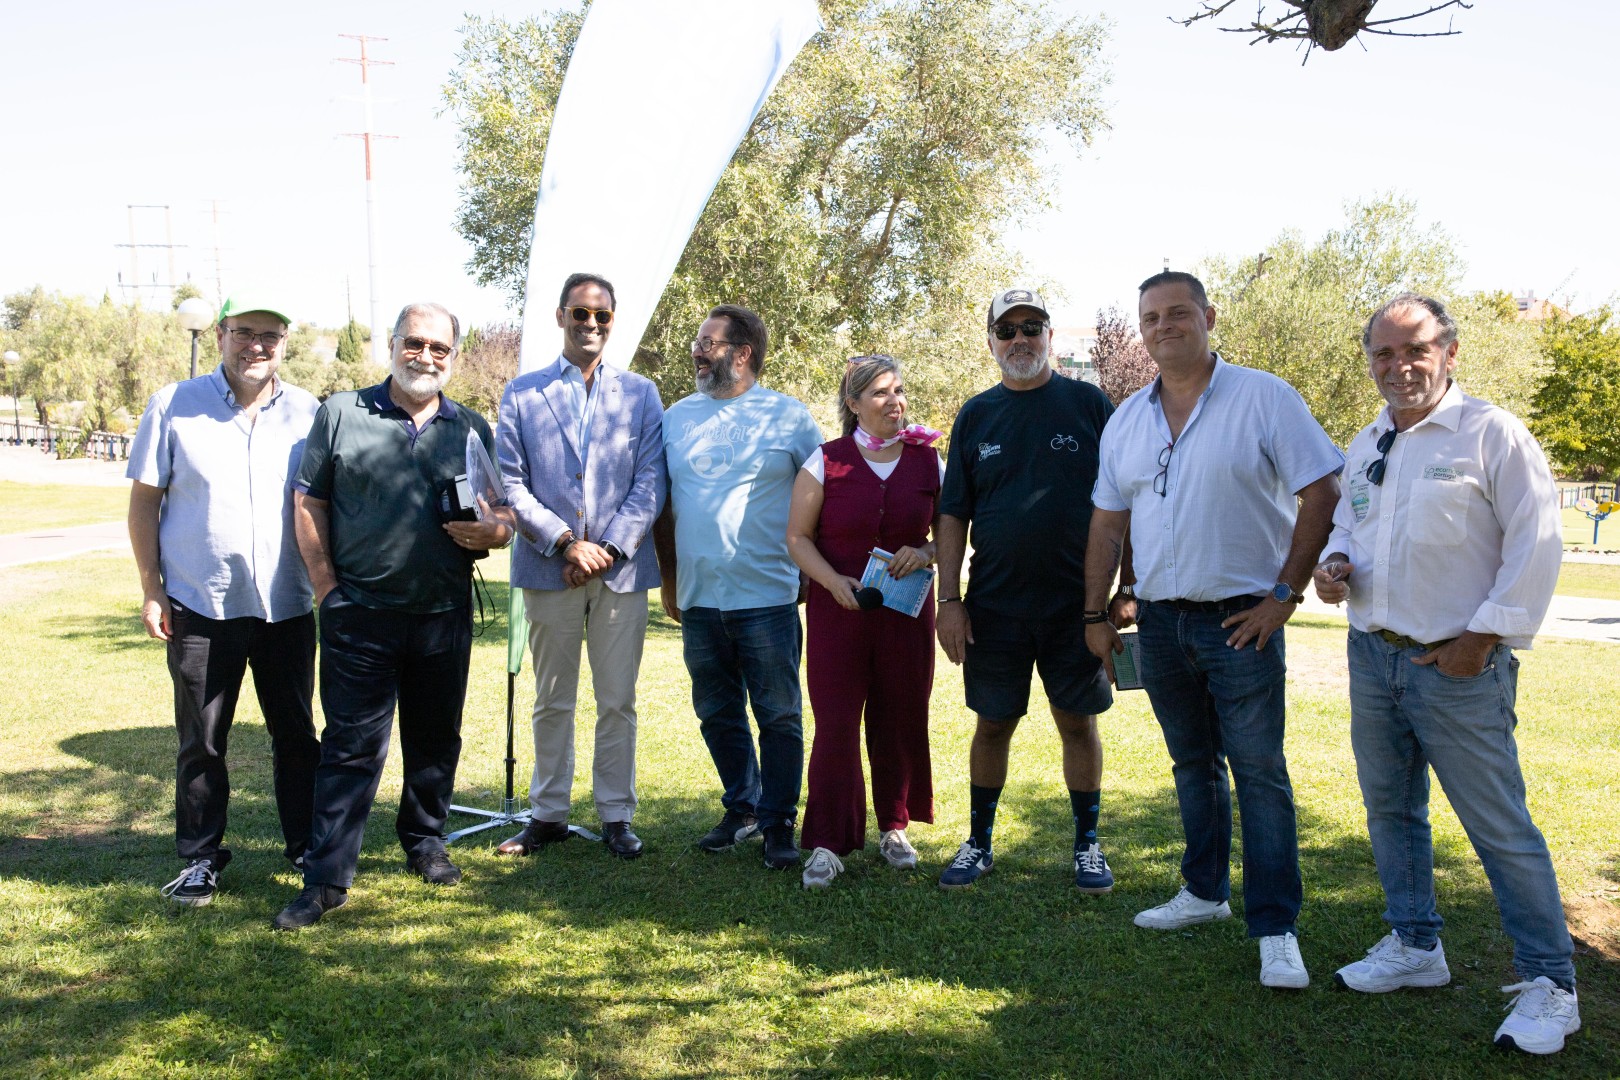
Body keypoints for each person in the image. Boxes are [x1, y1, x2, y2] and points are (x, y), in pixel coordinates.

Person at [1312, 293, 1579, 1054]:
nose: (1399, 366)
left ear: (1450, 353)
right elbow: (1349, 522)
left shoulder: (1493, 434)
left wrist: (1484, 635)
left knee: (1499, 828)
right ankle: (1415, 945)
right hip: (1374, 657)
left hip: (1458, 667)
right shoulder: (1369, 439)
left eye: (1415, 350)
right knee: (1392, 812)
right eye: (1384, 354)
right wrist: (1335, 563)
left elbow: (1538, 542)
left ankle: (1551, 984)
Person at [1084, 270, 1342, 989]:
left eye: (1178, 313)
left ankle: (1276, 927)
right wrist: (1095, 613)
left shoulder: (1265, 397)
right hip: (1160, 622)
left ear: (1209, 316)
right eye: (1151, 318)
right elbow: (1107, 524)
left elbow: (1323, 491)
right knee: (1192, 764)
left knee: (1259, 771)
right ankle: (1204, 892)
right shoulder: (1126, 420)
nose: (1163, 326)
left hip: (1241, 619)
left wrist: (1284, 596)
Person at [272, 302, 512, 930]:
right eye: (415, 342)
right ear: (394, 343)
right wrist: (327, 590)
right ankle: (326, 878)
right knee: (350, 748)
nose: (425, 356)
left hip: (443, 614)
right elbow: (308, 502)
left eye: (439, 347)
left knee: (436, 739)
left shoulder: (469, 427)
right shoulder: (341, 413)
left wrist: (494, 531)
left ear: (453, 356)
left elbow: (502, 513)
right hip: (360, 614)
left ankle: (426, 841)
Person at [127, 294, 321, 907]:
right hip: (200, 604)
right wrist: (152, 588)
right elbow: (144, 503)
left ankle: (308, 848)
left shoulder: (309, 413)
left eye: (270, 335)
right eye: (244, 332)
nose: (256, 345)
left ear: (284, 343)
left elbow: (324, 503)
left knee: (297, 735)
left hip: (287, 604)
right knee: (203, 740)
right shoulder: (173, 405)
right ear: (220, 335)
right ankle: (200, 859)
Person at [934, 287, 1117, 894]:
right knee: (992, 725)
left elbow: (1127, 500)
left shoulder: (1090, 404)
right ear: (991, 342)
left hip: (1077, 608)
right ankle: (979, 842)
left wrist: (1123, 592)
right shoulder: (976, 415)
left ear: (1050, 335)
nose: (1020, 340)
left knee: (1077, 724)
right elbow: (953, 515)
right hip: (994, 608)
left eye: (1031, 327)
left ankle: (1087, 845)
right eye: (1007, 330)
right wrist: (949, 602)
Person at [493, 273, 666, 860]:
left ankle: (617, 814)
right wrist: (566, 543)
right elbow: (511, 485)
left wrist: (606, 550)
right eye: (580, 313)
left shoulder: (641, 393)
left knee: (617, 699)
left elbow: (651, 482)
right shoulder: (522, 393)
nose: (591, 324)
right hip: (550, 568)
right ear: (561, 316)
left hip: (620, 572)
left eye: (602, 315)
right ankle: (548, 814)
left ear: (612, 321)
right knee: (552, 699)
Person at [654, 304, 823, 871]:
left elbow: (821, 496)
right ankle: (742, 807)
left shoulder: (789, 416)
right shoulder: (675, 418)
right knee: (717, 711)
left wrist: (812, 570)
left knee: (778, 715)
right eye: (698, 341)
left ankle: (778, 822)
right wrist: (671, 579)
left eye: (708, 343)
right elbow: (663, 507)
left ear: (742, 353)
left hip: (768, 597)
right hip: (700, 598)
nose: (696, 351)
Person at [786, 354, 941, 889]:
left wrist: (925, 552)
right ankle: (827, 843)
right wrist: (832, 582)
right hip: (839, 615)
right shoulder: (825, 461)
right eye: (880, 392)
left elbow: (951, 533)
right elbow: (797, 538)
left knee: (899, 718)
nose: (894, 401)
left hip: (906, 618)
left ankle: (894, 826)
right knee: (835, 726)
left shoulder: (929, 461)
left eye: (898, 390)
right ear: (853, 404)